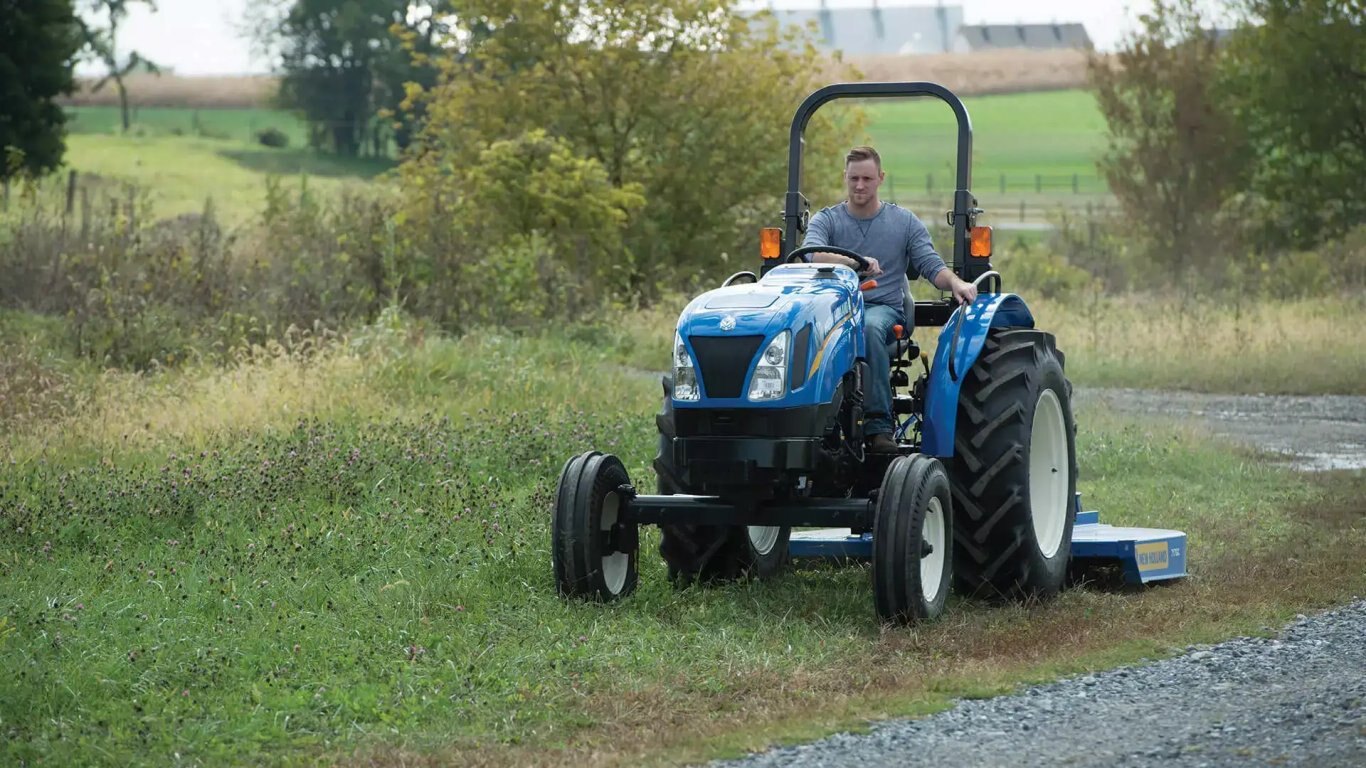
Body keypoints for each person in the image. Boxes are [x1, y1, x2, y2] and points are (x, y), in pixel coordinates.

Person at [802, 146, 978, 453]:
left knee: (867, 328)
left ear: (880, 178)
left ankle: (878, 427)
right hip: (833, 310)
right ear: (845, 177)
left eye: (867, 178)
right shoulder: (827, 220)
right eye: (854, 178)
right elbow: (810, 254)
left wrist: (956, 283)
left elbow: (931, 266)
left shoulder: (903, 222)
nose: (859, 185)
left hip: (881, 309)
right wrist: (853, 261)